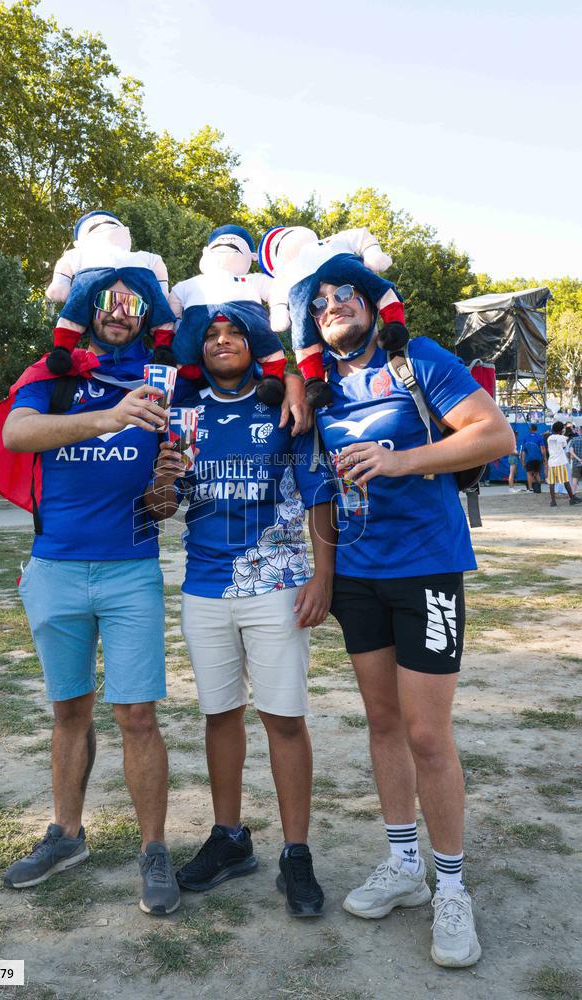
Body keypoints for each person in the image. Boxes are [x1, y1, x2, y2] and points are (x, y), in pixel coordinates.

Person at [309, 255, 513, 967]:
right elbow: (318, 492)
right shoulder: (319, 389)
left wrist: (400, 461)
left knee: (428, 735)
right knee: (384, 725)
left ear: (372, 305)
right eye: (321, 301)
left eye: (346, 295)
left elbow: (493, 436)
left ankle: (451, 888)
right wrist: (325, 572)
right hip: (358, 578)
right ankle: (403, 867)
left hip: (426, 569)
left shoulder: (415, 360)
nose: (334, 305)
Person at [142, 308, 337, 918]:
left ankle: (296, 854)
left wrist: (322, 578)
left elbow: (319, 494)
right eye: (212, 336)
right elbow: (159, 508)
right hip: (204, 586)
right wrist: (163, 485)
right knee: (219, 715)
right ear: (200, 351)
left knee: (283, 718)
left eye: (234, 335)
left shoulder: (286, 405)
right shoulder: (179, 411)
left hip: (276, 583)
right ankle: (229, 839)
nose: (223, 342)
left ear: (254, 346)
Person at [1, 271, 182, 915]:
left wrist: (169, 487)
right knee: (68, 711)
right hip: (54, 567)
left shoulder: (167, 377)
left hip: (131, 567)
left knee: (136, 714)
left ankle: (153, 848)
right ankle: (67, 836)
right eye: (107, 305)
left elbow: (168, 490)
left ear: (145, 317)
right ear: (87, 310)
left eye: (132, 307)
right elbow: (16, 434)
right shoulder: (53, 372)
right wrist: (106, 415)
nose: (119, 316)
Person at [546, 421, 582, 507]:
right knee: (565, 481)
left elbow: (562, 442)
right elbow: (564, 444)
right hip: (560, 462)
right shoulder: (561, 437)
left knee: (552, 483)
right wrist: (567, 433)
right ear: (560, 430)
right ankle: (572, 498)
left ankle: (553, 501)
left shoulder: (549, 438)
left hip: (551, 463)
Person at [520, 423, 546, 493]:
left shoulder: (526, 437)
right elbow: (542, 449)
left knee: (529, 473)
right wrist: (544, 458)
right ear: (536, 429)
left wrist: (522, 462)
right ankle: (539, 488)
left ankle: (530, 489)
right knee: (537, 473)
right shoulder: (540, 437)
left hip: (529, 459)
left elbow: (523, 451)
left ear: (530, 429)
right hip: (538, 458)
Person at [568, 427, 582, 493]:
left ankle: (573, 495)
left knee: (575, 479)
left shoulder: (574, 439)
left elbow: (571, 451)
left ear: (580, 431)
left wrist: (579, 459)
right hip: (578, 461)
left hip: (576, 463)